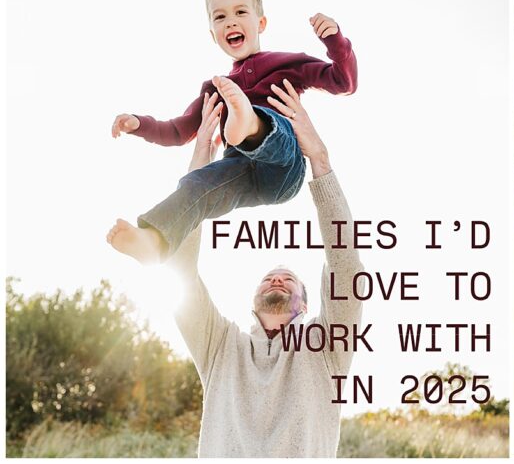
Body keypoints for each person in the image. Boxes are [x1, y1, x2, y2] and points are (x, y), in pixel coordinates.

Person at [134, 81, 363, 457]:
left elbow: (347, 270)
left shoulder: (326, 350)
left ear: (305, 305)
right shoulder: (221, 345)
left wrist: (319, 161)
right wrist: (198, 172)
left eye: (289, 280)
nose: (277, 278)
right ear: (252, 300)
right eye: (270, 277)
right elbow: (182, 276)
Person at [107, 0, 357, 264]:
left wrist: (335, 40)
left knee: (277, 130)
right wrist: (140, 124)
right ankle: (154, 241)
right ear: (213, 34)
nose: (231, 21)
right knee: (197, 184)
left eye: (241, 12)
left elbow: (343, 81)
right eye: (220, 17)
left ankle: (249, 122)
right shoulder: (215, 88)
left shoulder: (288, 64)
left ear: (260, 23)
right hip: (240, 173)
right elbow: (177, 131)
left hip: (282, 166)